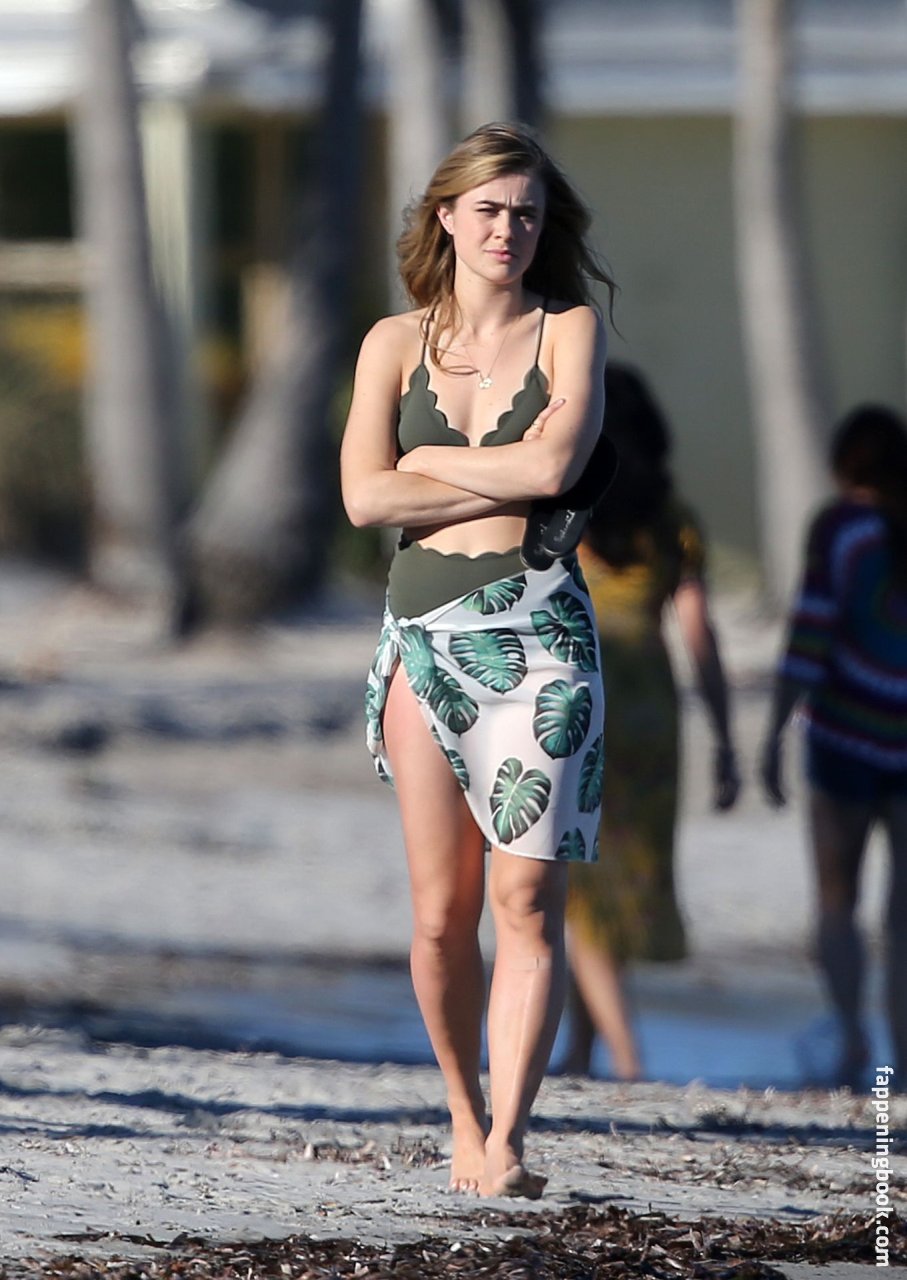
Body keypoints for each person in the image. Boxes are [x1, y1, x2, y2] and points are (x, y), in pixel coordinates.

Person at [340, 122, 614, 1196]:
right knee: (439, 913)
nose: (509, 229)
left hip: (542, 637)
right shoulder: (390, 343)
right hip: (422, 639)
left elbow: (556, 468)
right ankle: (461, 1113)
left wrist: (422, 460)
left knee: (525, 900)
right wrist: (499, 470)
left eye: (527, 213)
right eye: (490, 209)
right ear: (446, 216)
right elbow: (364, 499)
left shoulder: (569, 331)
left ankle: (508, 1136)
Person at [562, 363, 741, 1081]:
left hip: (575, 695)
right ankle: (580, 1049)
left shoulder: (562, 502)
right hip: (651, 709)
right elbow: (699, 634)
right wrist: (724, 737)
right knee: (610, 878)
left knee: (576, 882)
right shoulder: (673, 520)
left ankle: (627, 1057)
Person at [760, 403, 907, 1092]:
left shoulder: (839, 527)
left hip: (844, 738)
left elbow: (811, 632)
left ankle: (852, 1043)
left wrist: (773, 730)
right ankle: (901, 1068)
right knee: (902, 922)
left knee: (836, 902)